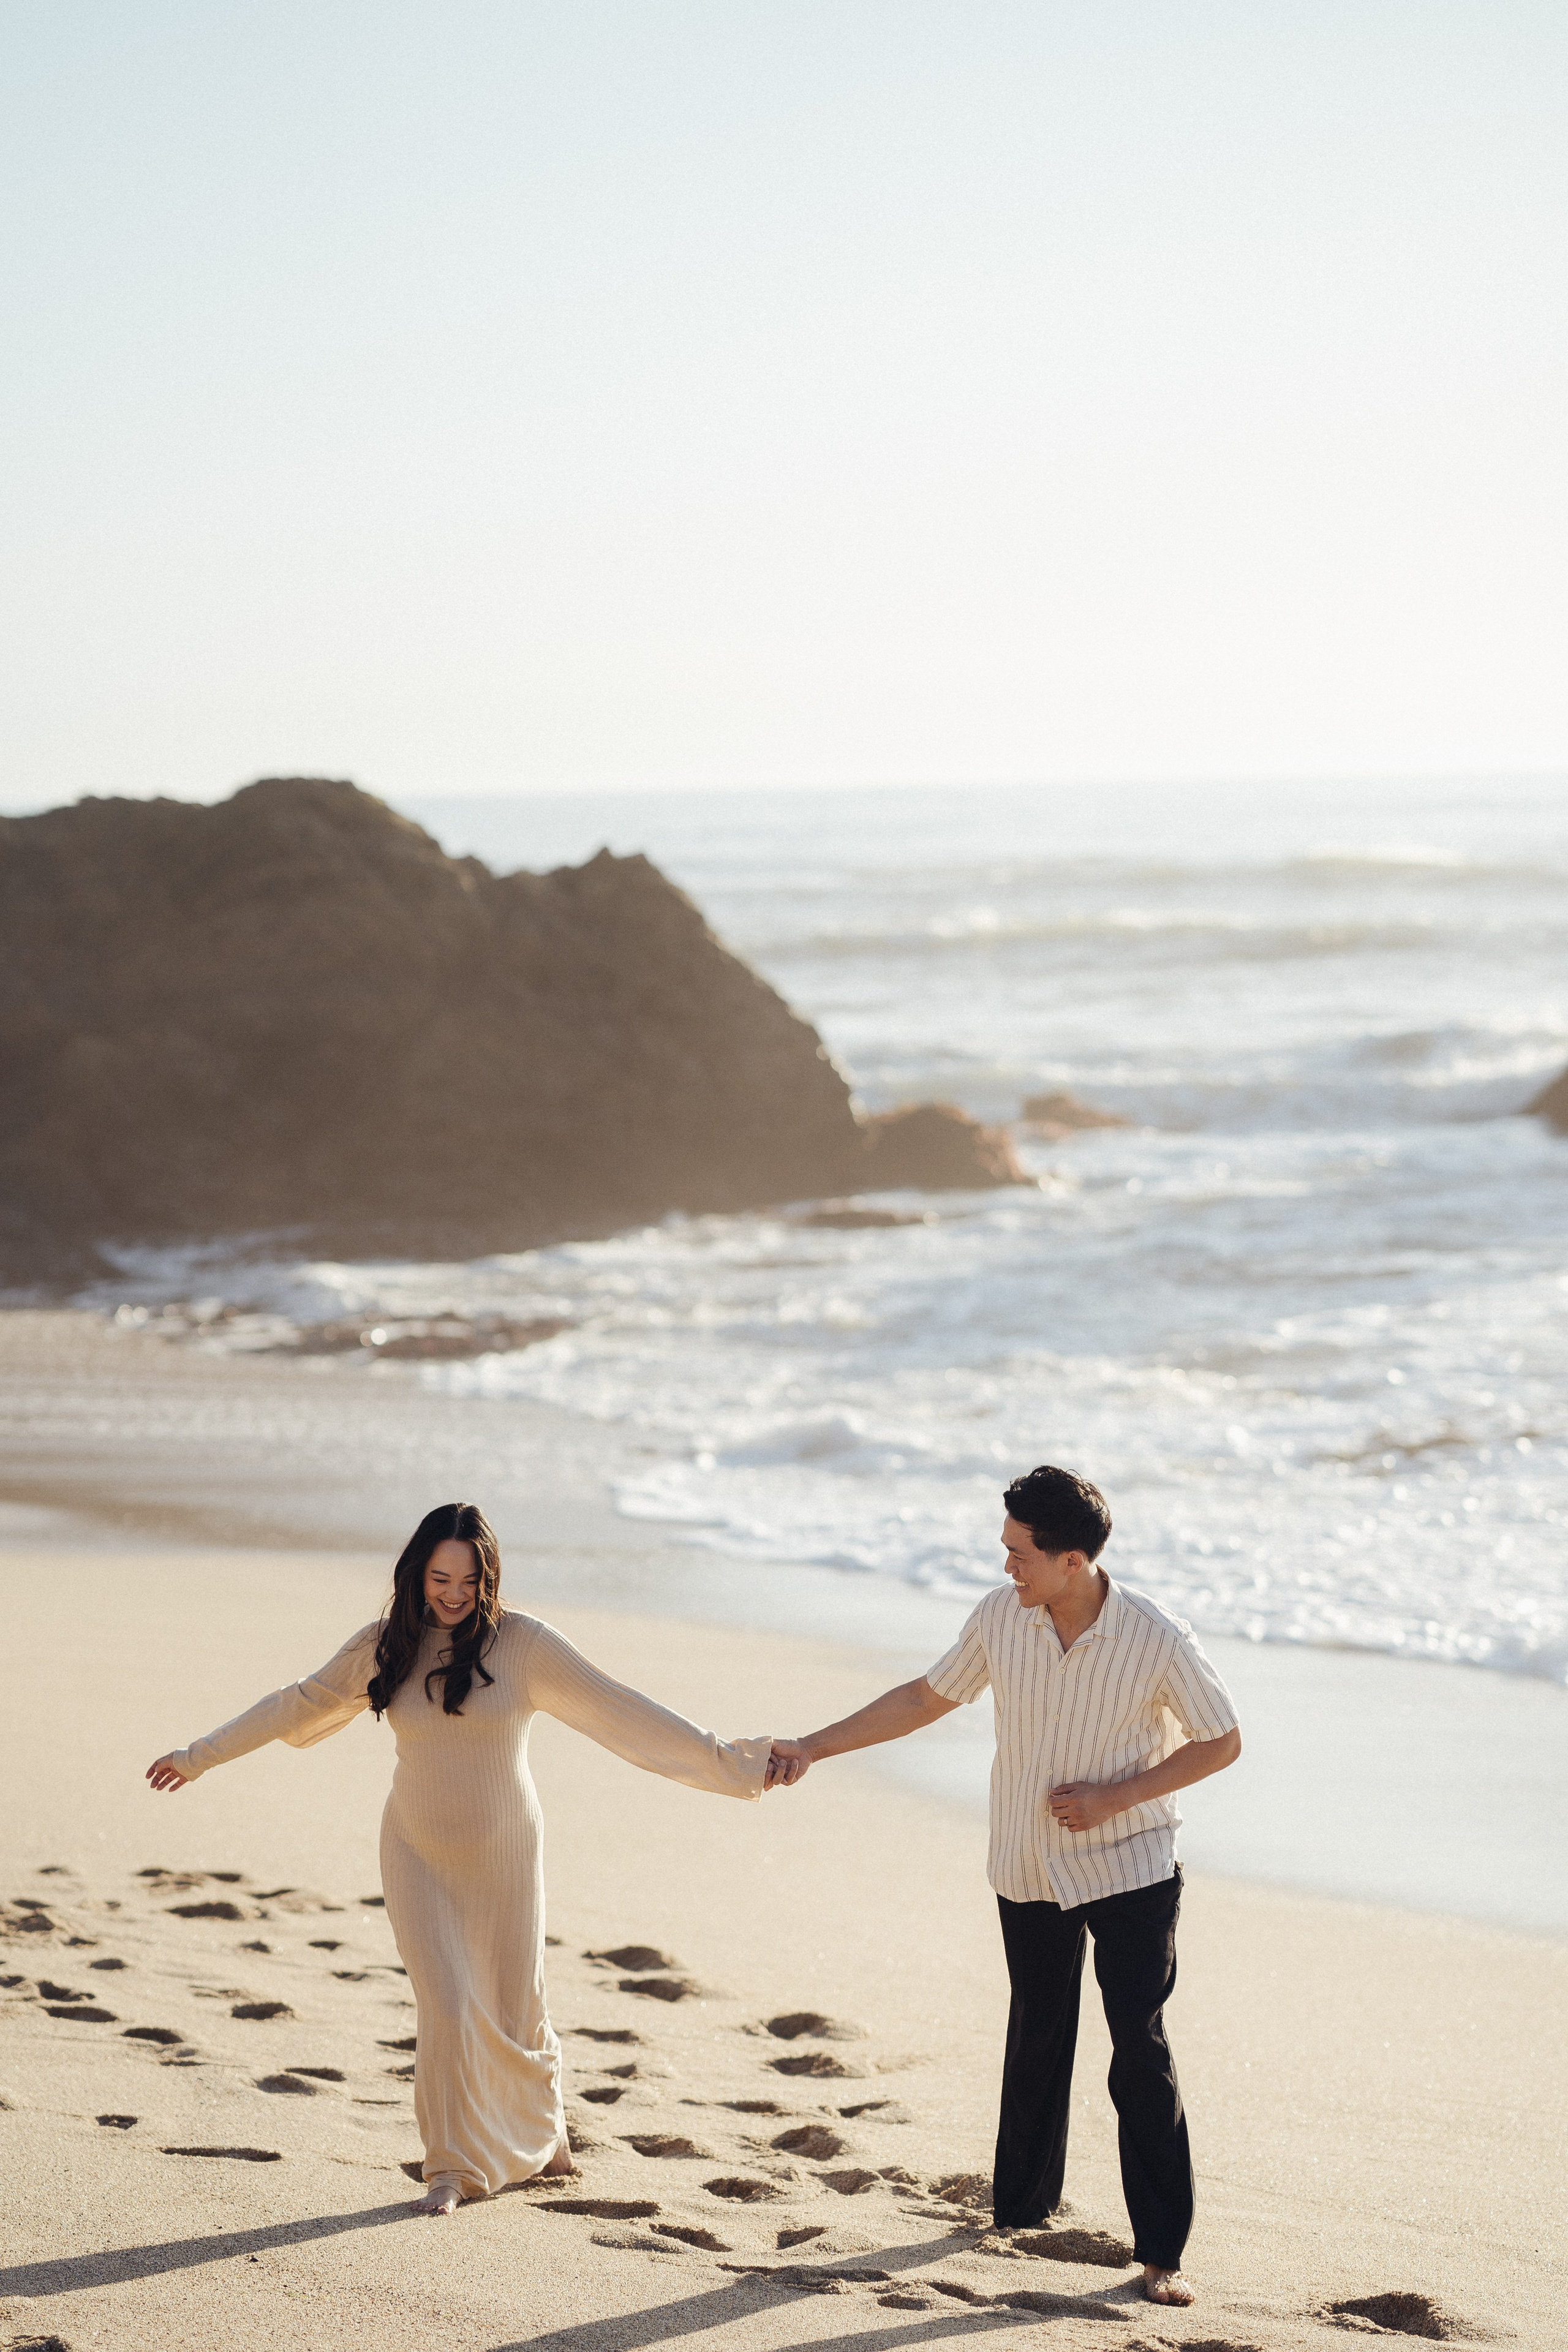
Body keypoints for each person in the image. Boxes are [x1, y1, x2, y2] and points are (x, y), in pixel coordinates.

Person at [146, 1502, 771, 2216]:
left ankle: (547, 2138)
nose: (452, 1593)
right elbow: (297, 1704)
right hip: (415, 1845)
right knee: (446, 2004)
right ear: (416, 1574)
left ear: (489, 1579)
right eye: (439, 1577)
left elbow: (623, 1712)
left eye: (468, 1581)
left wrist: (737, 1764)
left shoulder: (525, 1646)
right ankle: (448, 2167)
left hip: (506, 1847)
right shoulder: (386, 1645)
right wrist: (200, 1758)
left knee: (516, 2001)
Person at [766, 1464, 1241, 2309]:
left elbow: (1222, 1740)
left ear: (1072, 1561)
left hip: (1132, 1866)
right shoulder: (1000, 1618)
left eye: (1020, 1554)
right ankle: (1021, 2213)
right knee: (1038, 2034)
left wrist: (1114, 1797)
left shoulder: (1157, 1638)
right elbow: (923, 1696)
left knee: (1138, 2047)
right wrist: (812, 1745)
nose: (1007, 1567)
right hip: (1027, 1860)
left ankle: (1162, 2254)